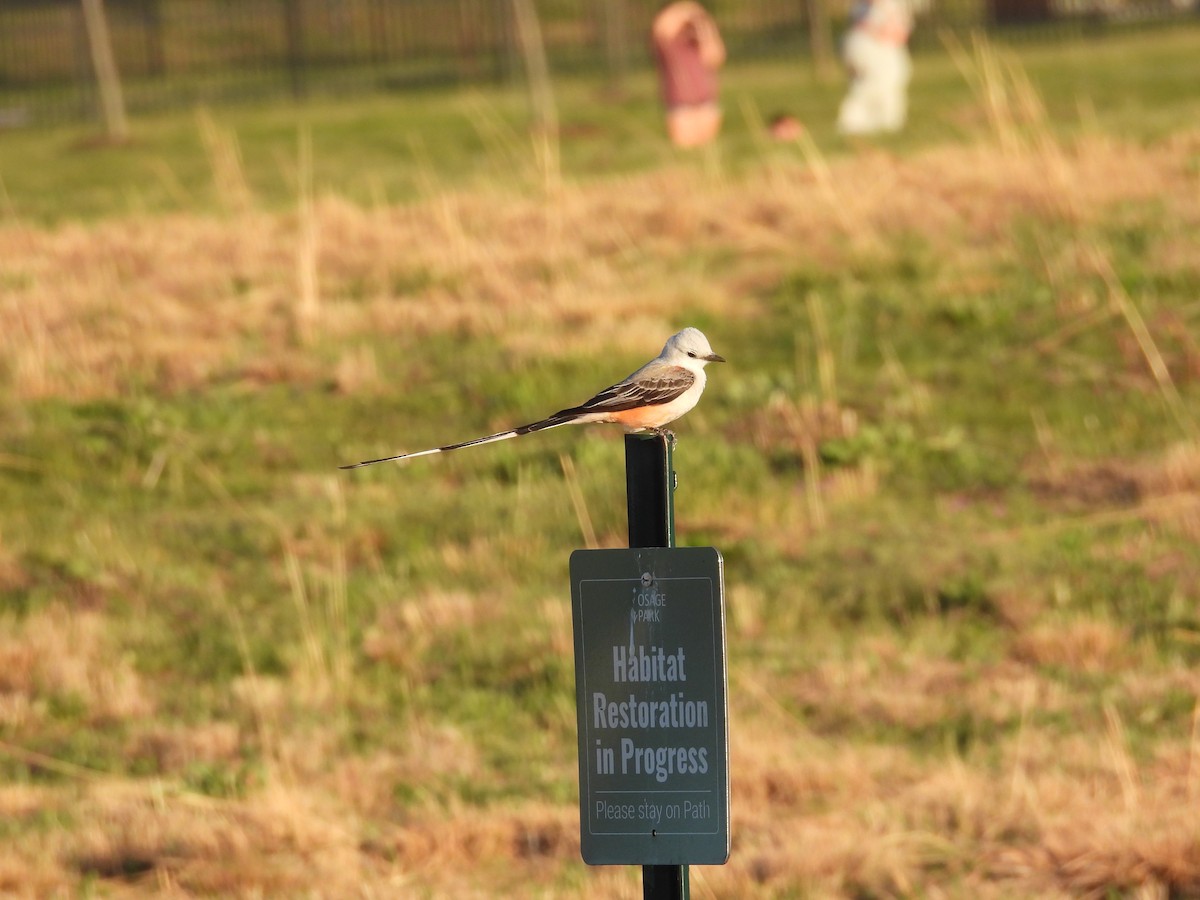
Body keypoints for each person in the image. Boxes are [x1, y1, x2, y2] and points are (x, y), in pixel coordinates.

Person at [651, 2, 726, 148]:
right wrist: (684, 12)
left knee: (707, 146)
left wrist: (705, 32)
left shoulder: (699, 40)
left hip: (705, 98)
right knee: (684, 146)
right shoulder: (666, 39)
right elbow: (662, 28)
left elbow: (716, 57)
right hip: (680, 102)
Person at [836, 0, 913, 135]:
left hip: (874, 44)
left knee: (885, 81)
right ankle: (858, 122)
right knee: (875, 83)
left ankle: (882, 121)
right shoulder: (874, 6)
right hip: (873, 44)